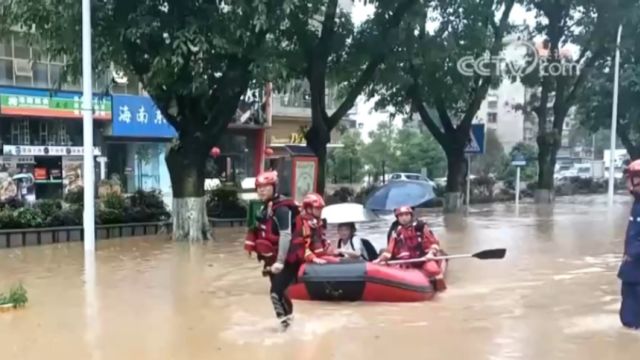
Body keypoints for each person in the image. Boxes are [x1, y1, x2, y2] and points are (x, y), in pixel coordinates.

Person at [244, 171, 303, 331]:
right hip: (274, 259)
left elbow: (285, 235)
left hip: (288, 258)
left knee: (275, 293)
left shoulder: (282, 209)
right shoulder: (266, 208)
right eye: (259, 188)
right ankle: (291, 325)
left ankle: (285, 329)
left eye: (265, 187)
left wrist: (280, 262)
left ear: (274, 187)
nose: (261, 190)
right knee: (280, 293)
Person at [374, 206, 441, 277]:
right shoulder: (395, 231)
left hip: (424, 258)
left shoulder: (421, 227)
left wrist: (430, 253)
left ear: (411, 215)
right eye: (401, 215)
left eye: (406, 215)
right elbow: (389, 250)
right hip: (403, 261)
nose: (404, 218)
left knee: (433, 270)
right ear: (397, 218)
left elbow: (433, 243)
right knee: (395, 273)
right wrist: (380, 260)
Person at [619, 159, 640, 330]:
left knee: (631, 321)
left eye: (630, 178)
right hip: (632, 271)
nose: (628, 183)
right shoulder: (637, 204)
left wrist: (632, 254)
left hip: (636, 273)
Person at [298, 192, 339, 264]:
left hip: (319, 257)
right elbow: (303, 246)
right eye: (318, 208)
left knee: (338, 262)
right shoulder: (304, 224)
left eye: (321, 208)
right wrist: (313, 258)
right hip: (308, 262)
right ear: (309, 209)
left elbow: (322, 241)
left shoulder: (318, 223)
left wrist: (330, 251)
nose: (320, 211)